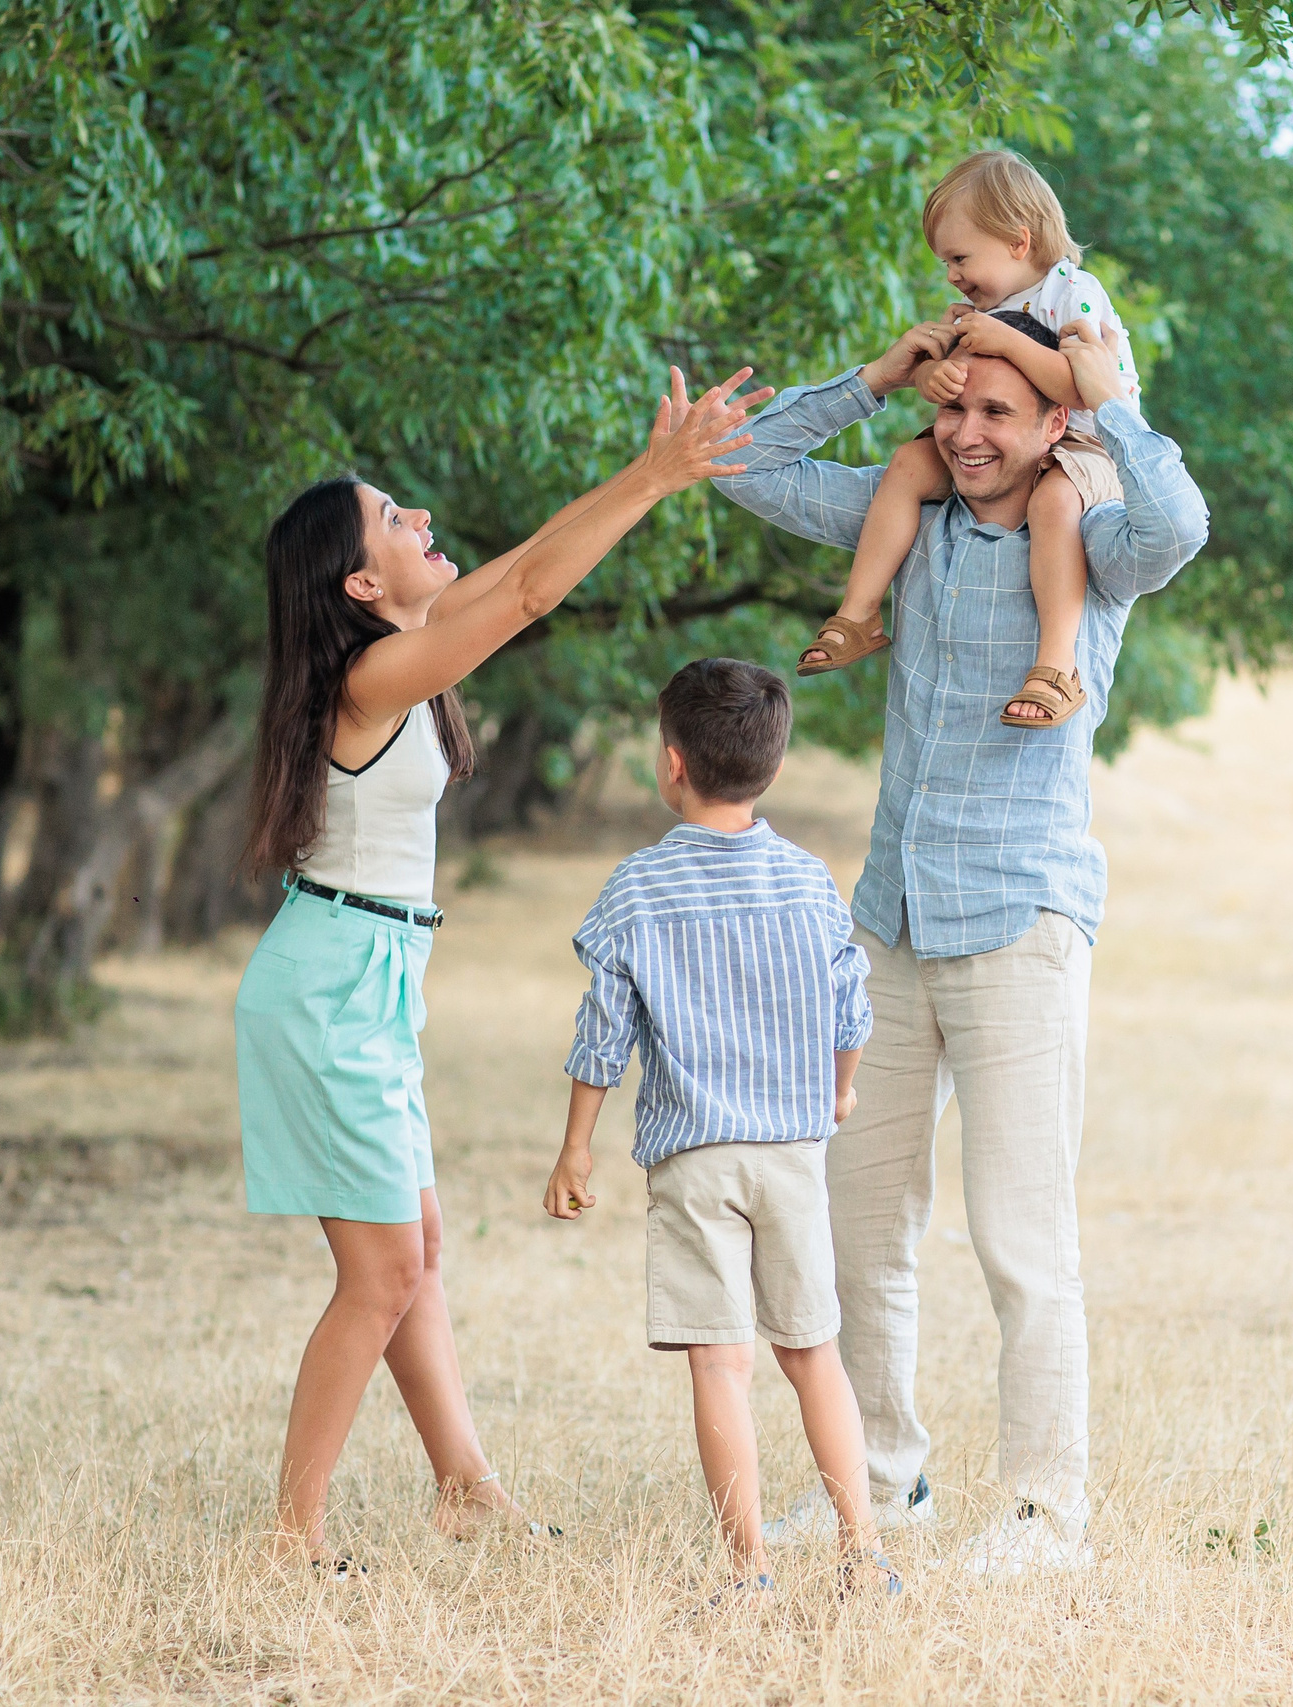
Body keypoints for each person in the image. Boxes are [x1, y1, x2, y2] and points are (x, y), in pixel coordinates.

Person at [235, 368, 767, 1572]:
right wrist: (655, 474)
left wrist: (641, 480)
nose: (420, 519)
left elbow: (522, 565)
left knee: (413, 1255)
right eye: (394, 521)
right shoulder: (371, 681)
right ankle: (289, 1536)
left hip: (364, 979)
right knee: (379, 1277)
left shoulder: (403, 652)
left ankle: (464, 1484)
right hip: (331, 990)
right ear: (359, 586)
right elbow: (529, 589)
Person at [714, 310, 1209, 1573]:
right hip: (889, 923)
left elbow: (1181, 526)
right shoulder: (909, 516)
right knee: (858, 1224)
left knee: (1021, 1242)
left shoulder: (1095, 541)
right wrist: (875, 378)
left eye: (1000, 412)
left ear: (1052, 425)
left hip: (1019, 922)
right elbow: (746, 461)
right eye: (952, 410)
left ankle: (1047, 1517)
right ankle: (880, 1483)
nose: (968, 433)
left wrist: (1110, 402)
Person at [541, 659, 898, 1604]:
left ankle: (749, 1571)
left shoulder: (637, 887)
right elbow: (851, 1008)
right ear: (770, 768)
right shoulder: (807, 880)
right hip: (791, 1150)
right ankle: (863, 1552)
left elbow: (601, 1034)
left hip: (695, 1158)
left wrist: (578, 1145)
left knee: (721, 1364)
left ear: (671, 764)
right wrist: (839, 1093)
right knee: (813, 1351)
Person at [794, 150, 1144, 732]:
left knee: (1054, 503)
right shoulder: (987, 307)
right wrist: (935, 375)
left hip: (1086, 448)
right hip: (1013, 445)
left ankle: (1057, 666)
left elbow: (1082, 391)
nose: (952, 275)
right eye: (945, 262)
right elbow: (949, 383)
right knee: (908, 460)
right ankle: (857, 616)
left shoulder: (1073, 292)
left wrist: (1007, 344)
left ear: (1017, 240)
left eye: (959, 257)